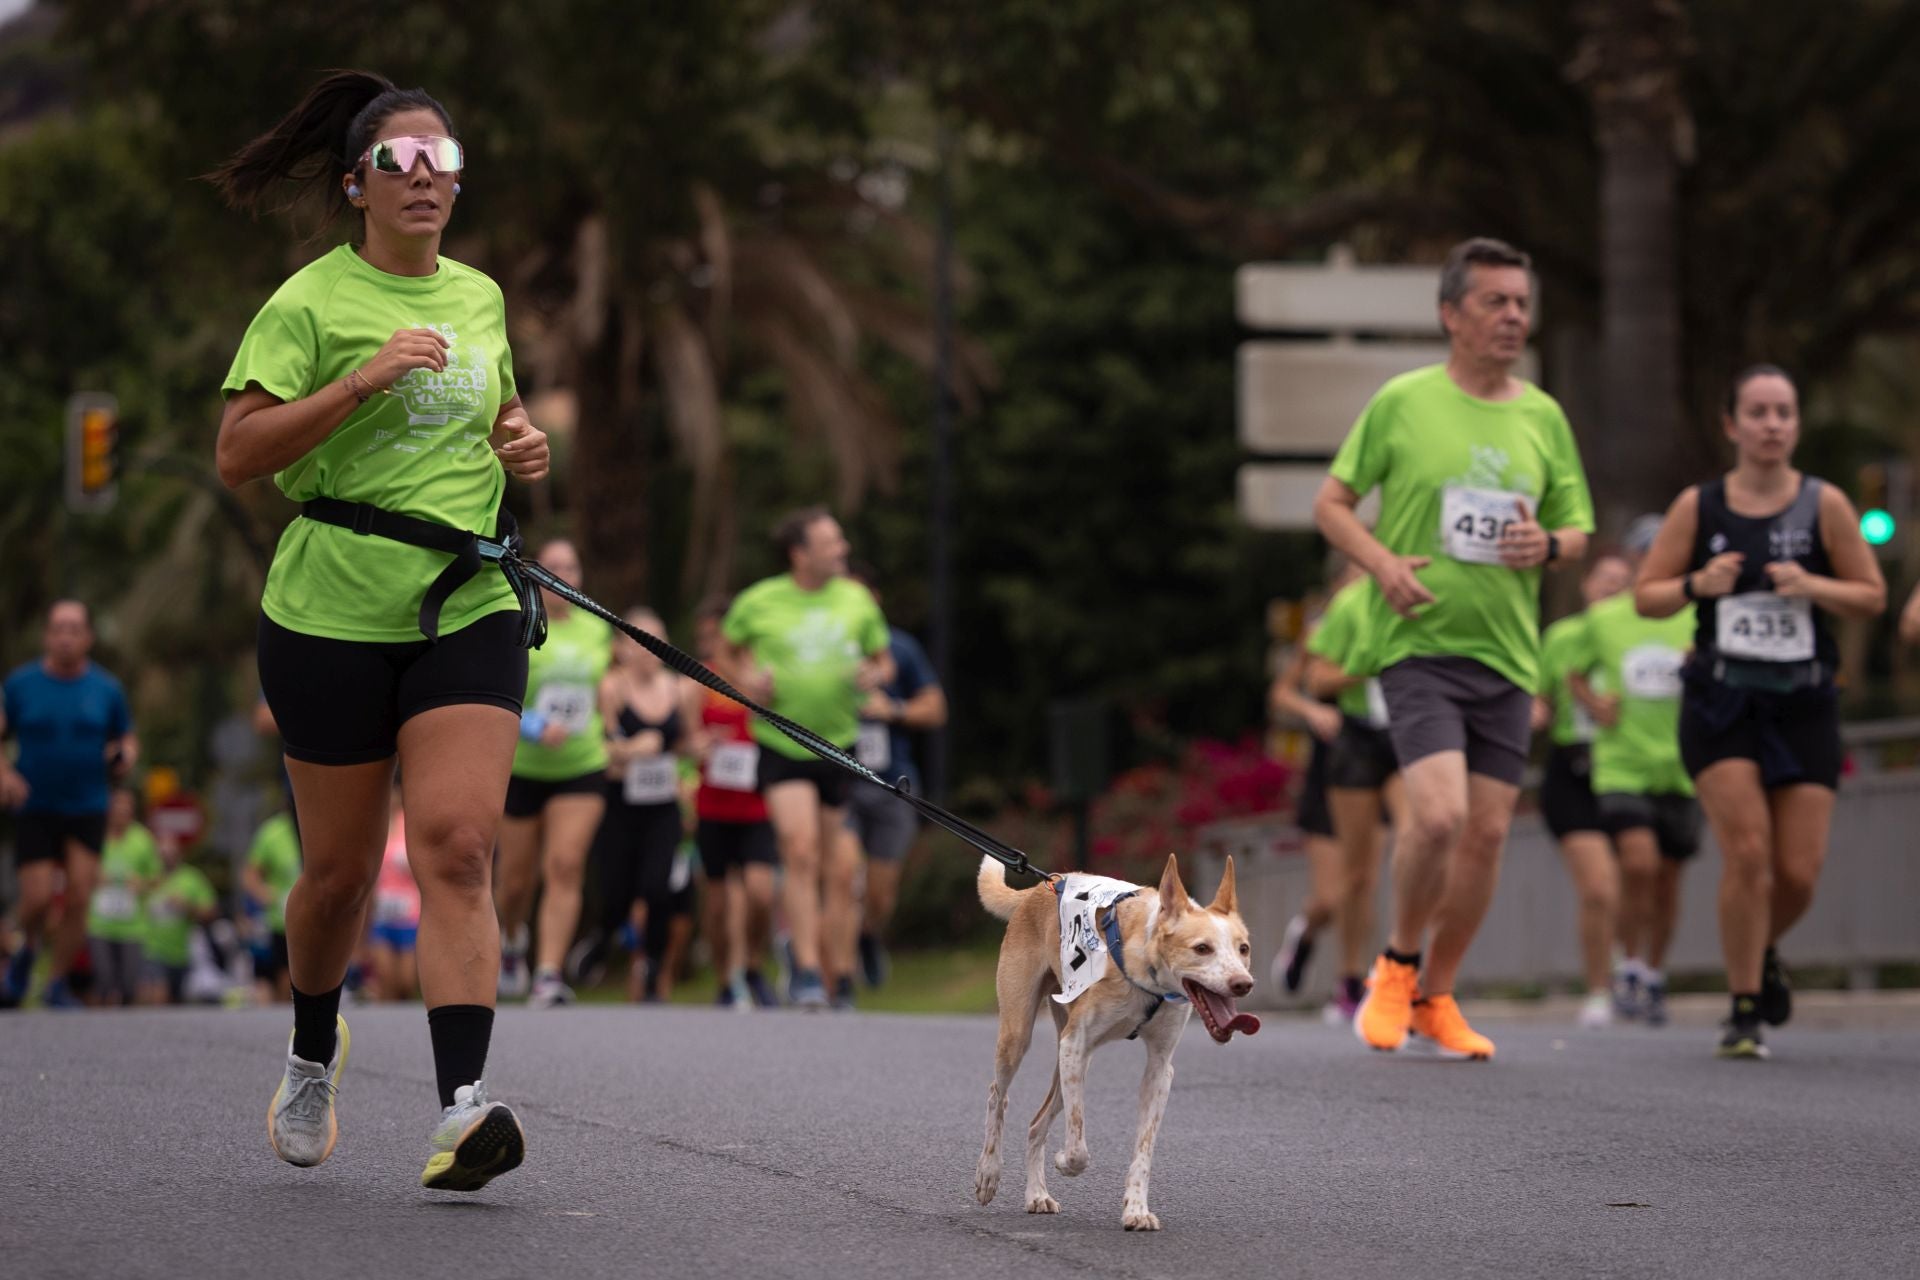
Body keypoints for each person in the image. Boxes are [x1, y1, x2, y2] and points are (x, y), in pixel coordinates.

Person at [210, 69, 548, 1186]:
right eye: (399, 162)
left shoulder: (482, 295)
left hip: (467, 600)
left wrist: (521, 442)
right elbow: (240, 453)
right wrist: (363, 379)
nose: (424, 180)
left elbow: (491, 409)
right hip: (329, 609)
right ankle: (313, 1048)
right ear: (359, 184)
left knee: (456, 843)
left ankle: (464, 1110)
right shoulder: (308, 301)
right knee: (340, 878)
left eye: (442, 163)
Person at [1314, 236, 1594, 1060]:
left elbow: (1579, 530)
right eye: (1494, 302)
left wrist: (1547, 545)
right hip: (1419, 643)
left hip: (1509, 654)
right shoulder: (1402, 402)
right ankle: (1395, 968)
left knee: (1489, 834)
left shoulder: (1542, 414)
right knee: (1438, 816)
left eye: (1521, 303)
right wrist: (1381, 564)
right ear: (1451, 315)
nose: (1513, 316)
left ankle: (1438, 992)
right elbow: (1332, 506)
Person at [1635, 365, 1884, 1059]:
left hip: (1803, 699)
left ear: (1796, 424)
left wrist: (1813, 585)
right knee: (1748, 853)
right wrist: (1695, 583)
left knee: (1798, 870)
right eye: (1759, 412)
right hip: (1722, 700)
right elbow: (1646, 596)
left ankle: (1761, 945)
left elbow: (1871, 595)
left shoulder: (1824, 504)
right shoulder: (1700, 506)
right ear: (1732, 424)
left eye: (1784, 412)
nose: (1772, 424)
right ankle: (1743, 1008)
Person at [722, 508, 891, 1008]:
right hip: (781, 743)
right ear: (800, 553)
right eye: (830, 542)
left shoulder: (857, 598)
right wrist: (747, 680)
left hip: (840, 746)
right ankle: (808, 969)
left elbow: (881, 658)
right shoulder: (759, 600)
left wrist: (874, 675)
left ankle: (839, 974)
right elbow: (728, 653)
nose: (842, 549)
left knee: (839, 869)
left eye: (840, 540)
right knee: (799, 849)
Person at [1574, 518, 1700, 1029]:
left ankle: (1653, 970)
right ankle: (1626, 962)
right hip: (1621, 762)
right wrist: (1593, 703)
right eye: (1645, 555)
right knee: (1639, 863)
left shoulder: (1695, 615)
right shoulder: (1606, 618)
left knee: (1668, 880)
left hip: (1680, 764)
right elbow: (1573, 671)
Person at [1, 600, 139, 1009]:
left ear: (87, 637)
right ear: (47, 635)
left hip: (87, 804)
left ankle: (56, 983)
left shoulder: (107, 689)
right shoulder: (20, 684)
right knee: (38, 899)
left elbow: (126, 738)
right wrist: (5, 774)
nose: (65, 636)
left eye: (74, 628)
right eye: (58, 628)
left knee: (79, 895)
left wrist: (125, 755)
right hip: (35, 804)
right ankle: (27, 948)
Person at [493, 538, 612, 1009]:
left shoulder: (598, 629)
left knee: (564, 865)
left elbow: (607, 690)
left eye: (572, 566)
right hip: (523, 767)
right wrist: (535, 726)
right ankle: (513, 938)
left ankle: (548, 973)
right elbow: (497, 685)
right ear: (535, 574)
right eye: (554, 566)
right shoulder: (518, 620)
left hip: (581, 765)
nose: (563, 575)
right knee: (516, 882)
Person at [1533, 553, 1633, 1029]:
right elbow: (1539, 698)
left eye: (1622, 582)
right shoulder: (1562, 637)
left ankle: (1637, 971)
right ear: (1586, 584)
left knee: (1639, 880)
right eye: (1605, 577)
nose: (1612, 587)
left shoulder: (1642, 636)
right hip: (1574, 768)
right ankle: (1600, 990)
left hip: (1633, 767)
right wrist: (1530, 713)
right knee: (1598, 887)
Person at [1303, 571, 1404, 1025]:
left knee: (1427, 837)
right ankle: (1349, 977)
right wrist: (1365, 669)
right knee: (1358, 875)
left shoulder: (1442, 592)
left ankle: (1408, 972)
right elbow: (1315, 680)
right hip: (1359, 741)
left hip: (1412, 737)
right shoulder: (1350, 604)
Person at [844, 566, 948, 995]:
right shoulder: (826, 652)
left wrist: (893, 710)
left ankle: (867, 937)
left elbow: (936, 709)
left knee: (880, 894)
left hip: (893, 783)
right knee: (844, 876)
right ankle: (837, 976)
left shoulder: (900, 649)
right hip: (839, 784)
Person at [595, 607, 694, 1002]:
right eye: (641, 641)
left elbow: (685, 741)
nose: (649, 651)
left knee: (658, 887)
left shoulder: (681, 689)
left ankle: (653, 966)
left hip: (664, 804)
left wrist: (695, 753)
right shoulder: (612, 687)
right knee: (618, 890)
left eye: (657, 641)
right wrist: (633, 750)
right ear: (623, 648)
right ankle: (603, 938)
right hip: (621, 801)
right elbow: (600, 748)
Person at [686, 596, 779, 1010]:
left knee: (761, 894)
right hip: (714, 807)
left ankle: (754, 965)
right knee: (718, 903)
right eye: (706, 637)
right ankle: (726, 977)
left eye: (717, 636)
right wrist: (702, 746)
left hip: (756, 805)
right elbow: (688, 742)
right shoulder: (698, 681)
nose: (712, 644)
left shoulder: (759, 679)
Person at [1266, 586, 1347, 1015]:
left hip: (1385, 766)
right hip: (1332, 769)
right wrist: (1314, 712)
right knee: (1332, 898)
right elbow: (1282, 692)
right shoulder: (1324, 628)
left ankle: (1350, 988)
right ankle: (1305, 934)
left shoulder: (1400, 622)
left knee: (1363, 888)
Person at [86, 786, 162, 1008]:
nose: (121, 812)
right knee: (104, 978)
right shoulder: (94, 836)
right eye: (117, 807)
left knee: (129, 985)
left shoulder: (143, 840)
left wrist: (142, 883)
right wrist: (94, 876)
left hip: (132, 925)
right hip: (99, 922)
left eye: (126, 807)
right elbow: (77, 871)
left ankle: (126, 1030)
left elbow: (157, 878)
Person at [140, 836, 218, 1005]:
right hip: (151, 951)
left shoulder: (192, 878)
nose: (166, 858)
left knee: (176, 1002)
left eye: (171, 853)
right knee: (159, 994)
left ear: (179, 854)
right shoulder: (148, 878)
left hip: (182, 954)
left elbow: (210, 912)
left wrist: (187, 907)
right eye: (162, 854)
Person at [243, 805, 302, 1003]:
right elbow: (250, 875)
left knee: (298, 978)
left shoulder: (321, 826)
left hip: (310, 921)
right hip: (278, 922)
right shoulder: (272, 832)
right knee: (279, 978)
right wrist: (267, 896)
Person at [369, 785, 421, 1002]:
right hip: (382, 913)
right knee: (385, 975)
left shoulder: (410, 824)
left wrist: (412, 865)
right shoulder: (373, 824)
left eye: (395, 793)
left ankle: (403, 1018)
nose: (391, 798)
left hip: (410, 914)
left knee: (406, 982)